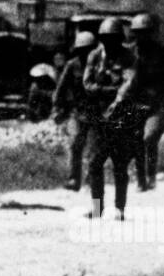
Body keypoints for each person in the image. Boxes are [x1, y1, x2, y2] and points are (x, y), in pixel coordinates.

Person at [110, 12, 164, 191]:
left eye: (146, 32)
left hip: (156, 104)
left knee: (149, 138)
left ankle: (151, 176)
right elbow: (120, 78)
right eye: (139, 32)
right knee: (136, 141)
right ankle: (142, 180)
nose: (143, 36)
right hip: (135, 104)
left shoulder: (161, 53)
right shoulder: (128, 52)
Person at [82, 17, 140, 219]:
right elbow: (87, 84)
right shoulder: (94, 56)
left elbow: (129, 83)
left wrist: (116, 99)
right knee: (94, 163)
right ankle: (97, 208)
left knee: (120, 164)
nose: (109, 42)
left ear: (120, 39)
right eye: (106, 38)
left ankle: (119, 208)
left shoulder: (128, 57)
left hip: (120, 118)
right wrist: (108, 90)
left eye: (113, 38)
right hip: (98, 118)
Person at [51, 31, 98, 191]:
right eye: (82, 50)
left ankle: (92, 179)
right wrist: (56, 108)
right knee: (74, 143)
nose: (85, 54)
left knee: (93, 149)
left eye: (89, 50)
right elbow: (60, 88)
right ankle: (73, 179)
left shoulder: (101, 65)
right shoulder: (72, 65)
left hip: (96, 114)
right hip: (77, 112)